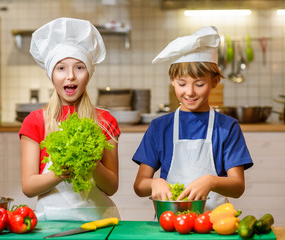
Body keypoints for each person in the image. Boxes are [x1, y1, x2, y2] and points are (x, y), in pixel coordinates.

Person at [132, 26, 253, 211]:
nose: (189, 92)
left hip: (214, 223)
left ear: (214, 82)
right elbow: (139, 186)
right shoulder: (160, 127)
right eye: (182, 83)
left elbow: (238, 187)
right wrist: (154, 183)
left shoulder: (227, 127)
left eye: (199, 84)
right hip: (171, 221)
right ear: (172, 81)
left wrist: (211, 181)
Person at [19, 17, 121, 221]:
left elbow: (111, 187)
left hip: (98, 221)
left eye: (79, 67)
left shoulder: (105, 120)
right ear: (52, 74)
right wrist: (60, 173)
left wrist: (93, 165)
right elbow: (28, 187)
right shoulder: (35, 121)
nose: (71, 76)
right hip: (51, 221)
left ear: (88, 75)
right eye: (61, 68)